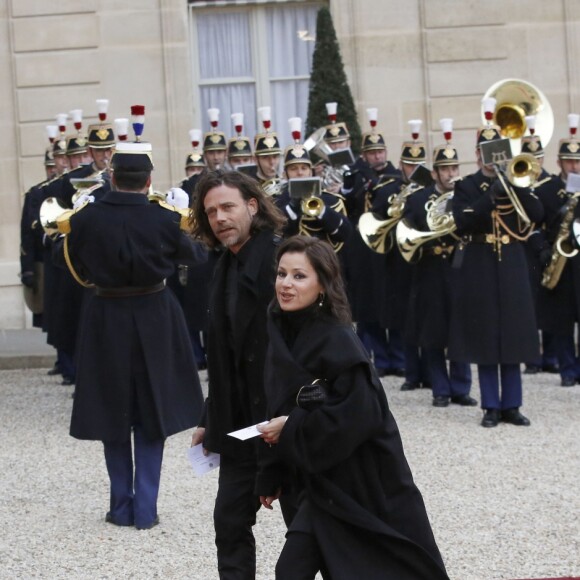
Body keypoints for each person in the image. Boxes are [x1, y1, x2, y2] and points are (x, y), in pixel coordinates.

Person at [256, 235, 449, 580]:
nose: (286, 284)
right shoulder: (279, 331)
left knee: (295, 570)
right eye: (281, 274)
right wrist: (272, 472)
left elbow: (361, 415)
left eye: (299, 276)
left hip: (353, 482)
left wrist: (293, 427)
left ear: (322, 285)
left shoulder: (338, 339)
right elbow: (277, 403)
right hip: (313, 482)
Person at [57, 140, 206, 529]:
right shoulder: (165, 217)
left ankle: (121, 505)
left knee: (113, 410)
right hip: (155, 312)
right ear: (149, 180)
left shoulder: (84, 219)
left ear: (112, 176)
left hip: (106, 312)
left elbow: (76, 268)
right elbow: (197, 257)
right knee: (152, 411)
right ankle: (146, 509)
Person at [189, 170, 290, 579]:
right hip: (240, 428)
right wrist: (208, 419)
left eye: (228, 206)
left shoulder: (286, 261)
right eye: (211, 211)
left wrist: (298, 419)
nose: (219, 217)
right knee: (229, 525)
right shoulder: (223, 266)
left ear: (252, 205)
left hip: (287, 424)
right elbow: (224, 357)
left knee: (307, 531)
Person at [449, 120, 544, 427]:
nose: (492, 158)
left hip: (512, 261)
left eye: (497, 151)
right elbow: (462, 221)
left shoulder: (517, 180)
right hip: (480, 261)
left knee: (514, 332)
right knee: (485, 333)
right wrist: (490, 196)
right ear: (478, 155)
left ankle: (512, 404)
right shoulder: (467, 185)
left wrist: (516, 186)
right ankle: (491, 405)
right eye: (486, 152)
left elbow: (537, 215)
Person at [402, 123, 475, 408]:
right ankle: (440, 389)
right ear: (434, 173)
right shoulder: (419, 199)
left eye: (454, 167)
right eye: (445, 169)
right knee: (433, 332)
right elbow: (408, 231)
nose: (450, 174)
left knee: (460, 328)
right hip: (430, 269)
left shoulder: (466, 194)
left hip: (459, 268)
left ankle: (461, 388)